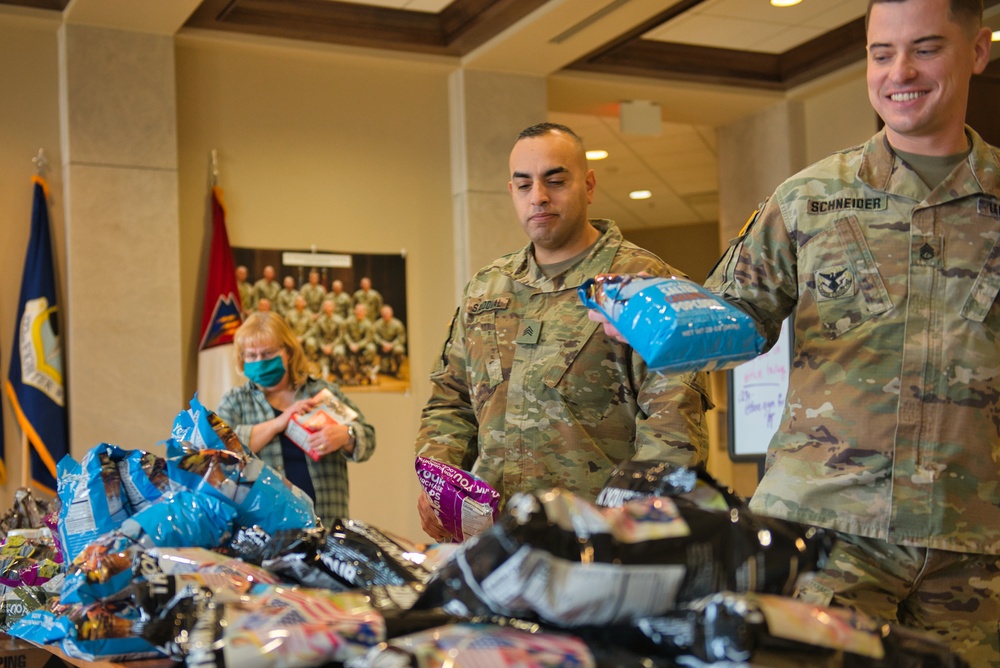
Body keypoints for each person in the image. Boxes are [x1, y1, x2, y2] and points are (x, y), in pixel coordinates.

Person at [597, 1, 999, 663]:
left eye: (925, 48)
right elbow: (735, 327)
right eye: (880, 52)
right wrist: (649, 320)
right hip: (825, 532)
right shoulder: (809, 199)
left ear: (977, 51)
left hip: (974, 545)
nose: (900, 71)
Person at [414, 122, 712, 542]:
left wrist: (631, 528)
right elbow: (451, 399)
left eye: (555, 180)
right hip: (494, 544)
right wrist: (436, 478)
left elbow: (673, 425)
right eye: (523, 185)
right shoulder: (487, 287)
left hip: (597, 544)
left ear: (588, 185)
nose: (538, 196)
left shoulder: (644, 284)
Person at [216, 312, 375, 525]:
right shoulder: (235, 401)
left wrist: (346, 436)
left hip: (325, 523)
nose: (259, 362)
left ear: (288, 352)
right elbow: (221, 455)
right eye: (251, 356)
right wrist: (279, 423)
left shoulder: (320, 392)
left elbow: (368, 437)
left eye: (267, 353)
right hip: (263, 528)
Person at [373, 304, 406, 377]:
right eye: (383, 313)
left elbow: (401, 337)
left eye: (387, 313)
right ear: (381, 314)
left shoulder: (398, 324)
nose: (385, 314)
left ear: (391, 313)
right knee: (385, 370)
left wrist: (392, 345)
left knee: (399, 350)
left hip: (393, 347)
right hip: (382, 348)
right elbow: (374, 336)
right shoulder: (377, 324)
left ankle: (398, 370)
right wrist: (382, 343)